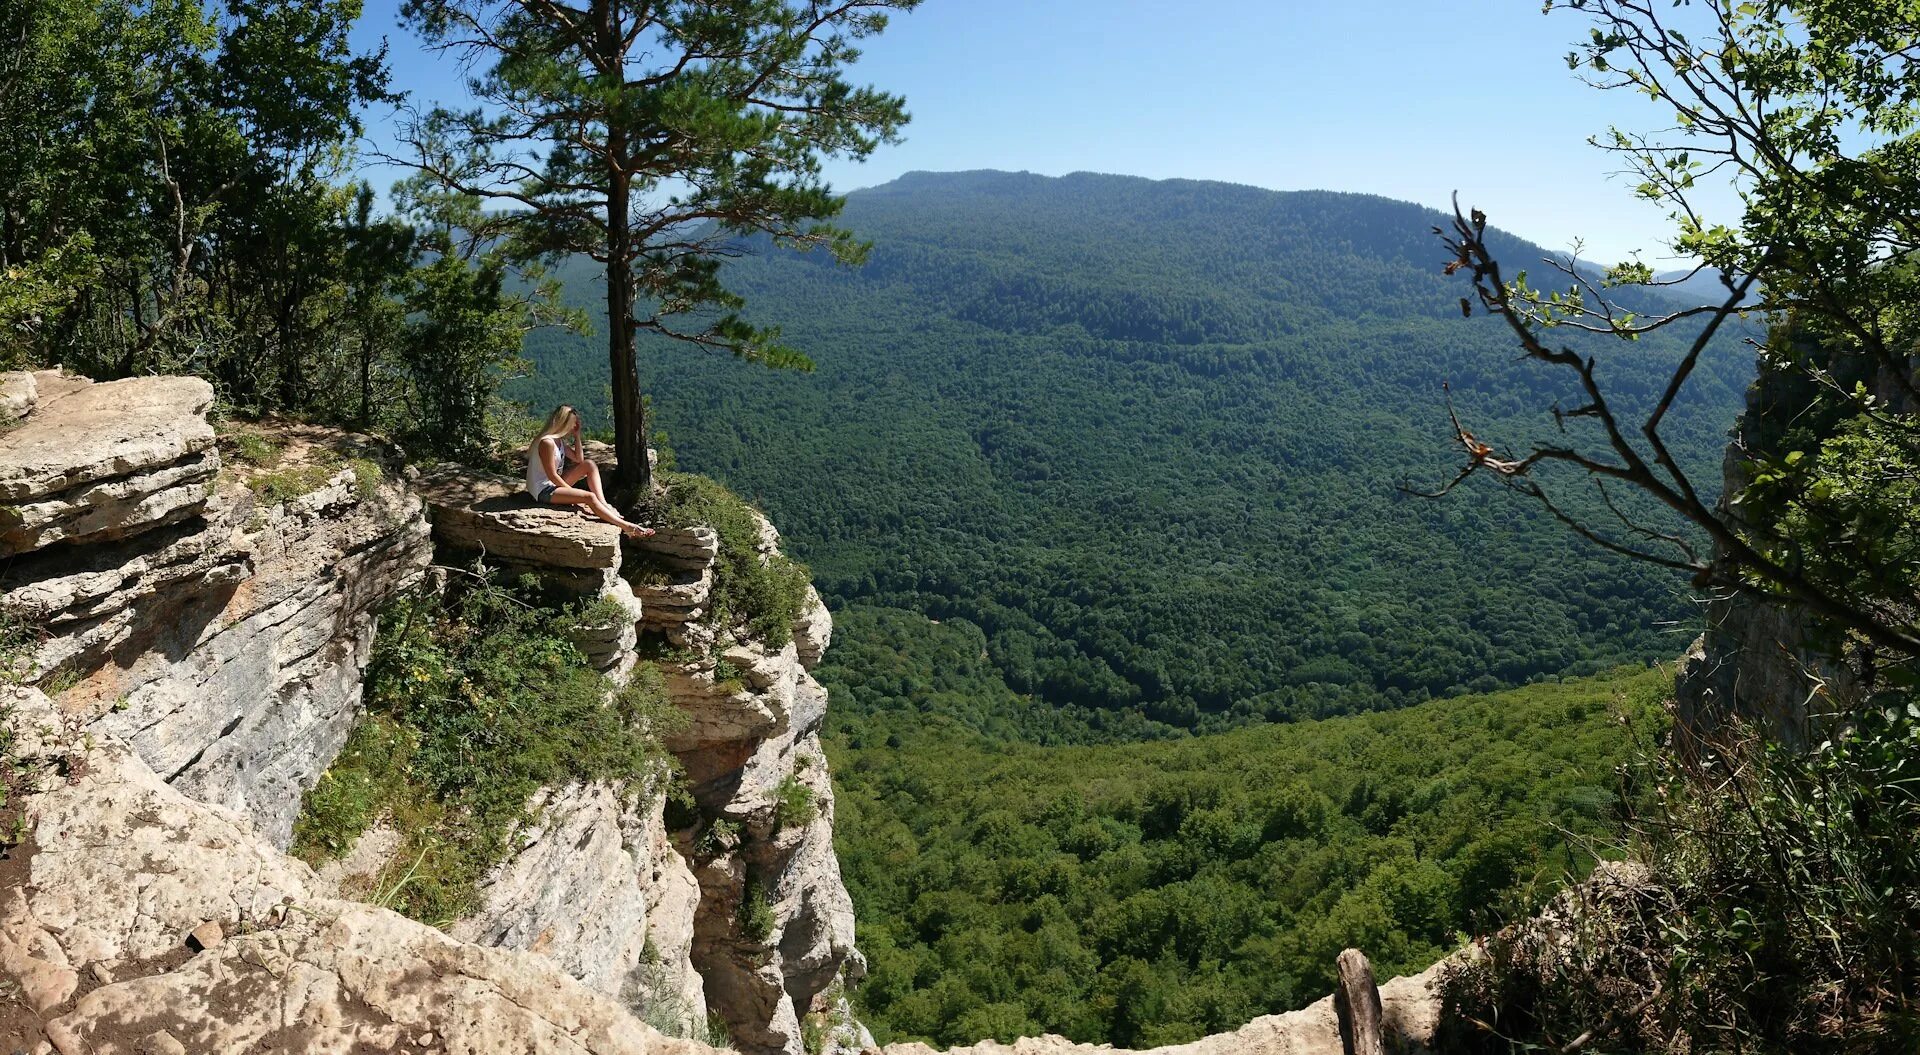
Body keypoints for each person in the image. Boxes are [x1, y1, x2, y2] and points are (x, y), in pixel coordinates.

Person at [525, 405, 654, 538]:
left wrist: (577, 436)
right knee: (589, 497)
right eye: (572, 424)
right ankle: (627, 526)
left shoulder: (559, 441)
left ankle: (603, 503)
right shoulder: (547, 443)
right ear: (564, 423)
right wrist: (572, 492)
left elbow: (579, 459)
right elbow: (552, 476)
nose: (573, 427)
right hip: (542, 490)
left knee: (589, 464)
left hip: (552, 485)